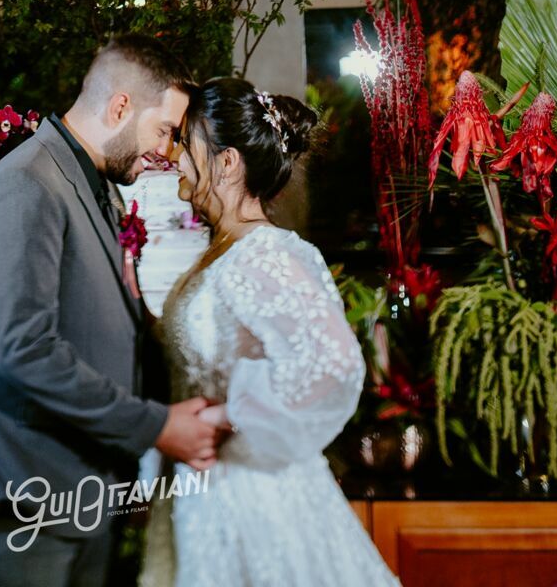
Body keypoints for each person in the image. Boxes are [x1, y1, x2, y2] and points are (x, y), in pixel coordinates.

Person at [0, 35, 229, 586]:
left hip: (77, 493)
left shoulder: (97, 187)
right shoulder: (26, 185)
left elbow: (105, 324)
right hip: (20, 492)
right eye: (164, 130)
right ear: (120, 106)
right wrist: (156, 425)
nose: (167, 152)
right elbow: (25, 350)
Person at [140, 77, 401, 587]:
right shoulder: (223, 253)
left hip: (255, 498)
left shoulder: (267, 254)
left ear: (228, 162)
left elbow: (332, 364)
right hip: (208, 494)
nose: (174, 155)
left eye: (186, 141)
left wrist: (226, 414)